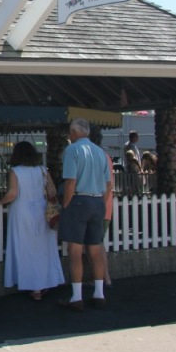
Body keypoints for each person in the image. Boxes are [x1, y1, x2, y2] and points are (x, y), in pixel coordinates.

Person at [0, 141, 64, 300]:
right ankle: (42, 284)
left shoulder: (15, 171)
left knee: (25, 249)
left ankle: (32, 287)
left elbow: (13, 194)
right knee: (43, 248)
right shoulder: (42, 170)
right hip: (41, 210)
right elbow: (52, 190)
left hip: (22, 212)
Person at [57, 118, 109, 311]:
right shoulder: (100, 152)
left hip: (78, 200)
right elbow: (108, 184)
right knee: (95, 250)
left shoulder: (72, 150)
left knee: (75, 251)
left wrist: (66, 203)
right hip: (97, 200)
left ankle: (77, 297)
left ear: (74, 132)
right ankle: (99, 293)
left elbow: (70, 181)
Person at [89, 126, 115, 287]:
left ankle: (104, 279)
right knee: (97, 243)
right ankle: (102, 278)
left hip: (99, 207)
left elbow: (107, 185)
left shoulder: (97, 157)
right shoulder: (105, 156)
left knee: (96, 244)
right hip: (103, 206)